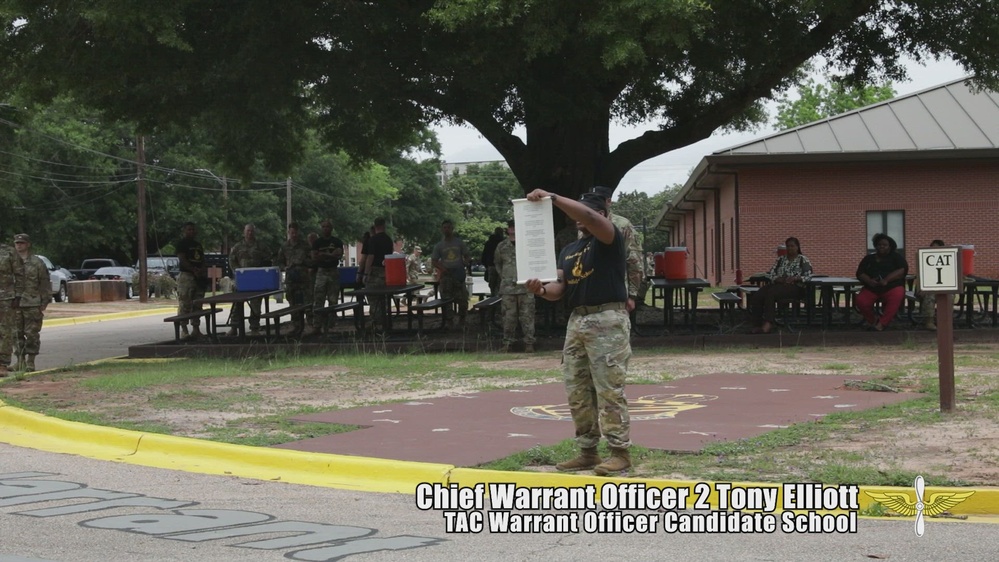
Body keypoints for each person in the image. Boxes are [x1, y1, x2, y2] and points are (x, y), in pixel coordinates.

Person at [525, 189, 632, 476]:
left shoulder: (609, 238)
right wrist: (542, 290)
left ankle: (619, 452)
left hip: (607, 318)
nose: (578, 219)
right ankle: (588, 451)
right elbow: (561, 288)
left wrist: (553, 198)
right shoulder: (569, 251)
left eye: (587, 213)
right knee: (577, 390)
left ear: (602, 215)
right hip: (578, 320)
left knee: (609, 388)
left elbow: (586, 215)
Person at [590, 186, 644, 312]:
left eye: (598, 199)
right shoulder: (584, 225)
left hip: (615, 291)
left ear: (608, 202)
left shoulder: (622, 225)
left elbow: (634, 260)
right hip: (590, 291)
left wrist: (632, 295)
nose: (594, 203)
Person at [2, 234, 51, 372]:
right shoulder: (9, 262)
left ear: (28, 244)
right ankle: (20, 361)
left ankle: (31, 361)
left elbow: (44, 282)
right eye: (17, 243)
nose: (19, 245)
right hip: (14, 303)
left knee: (32, 333)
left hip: (32, 302)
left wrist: (45, 300)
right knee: (16, 334)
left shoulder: (37, 262)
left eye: (22, 243)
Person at [748, 236, 813, 334]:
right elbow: (770, 273)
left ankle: (769, 323)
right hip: (779, 284)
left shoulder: (803, 260)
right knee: (759, 294)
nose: (790, 248)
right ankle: (757, 324)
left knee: (771, 293)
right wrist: (778, 279)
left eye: (792, 246)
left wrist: (796, 278)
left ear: (797, 247)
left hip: (795, 288)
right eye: (788, 246)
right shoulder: (781, 259)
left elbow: (809, 276)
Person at [493, 220, 535, 353]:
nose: (514, 229)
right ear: (508, 229)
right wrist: (504, 277)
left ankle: (529, 344)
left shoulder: (527, 243)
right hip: (508, 288)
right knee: (508, 317)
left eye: (516, 226)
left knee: (527, 316)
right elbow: (497, 263)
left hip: (526, 286)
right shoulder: (502, 246)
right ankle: (508, 344)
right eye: (512, 227)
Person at [856, 233, 909, 331]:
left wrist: (886, 280)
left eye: (884, 245)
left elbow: (902, 270)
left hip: (892, 286)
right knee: (861, 301)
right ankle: (874, 321)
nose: (881, 246)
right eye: (879, 244)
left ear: (890, 246)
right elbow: (860, 272)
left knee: (896, 296)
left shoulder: (896, 257)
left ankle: (882, 324)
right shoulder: (869, 258)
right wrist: (869, 281)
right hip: (872, 287)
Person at [227, 223, 271, 335]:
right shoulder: (237, 247)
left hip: (256, 279)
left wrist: (261, 271)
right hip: (242, 279)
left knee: (256, 304)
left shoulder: (261, 246)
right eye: (248, 231)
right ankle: (234, 327)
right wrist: (238, 271)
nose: (250, 233)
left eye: (251, 231)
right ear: (244, 232)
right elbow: (232, 260)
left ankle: (254, 327)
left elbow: (268, 260)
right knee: (237, 304)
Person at [432, 219, 471, 330]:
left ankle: (462, 320)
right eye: (444, 228)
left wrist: (465, 263)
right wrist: (443, 269)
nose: (446, 230)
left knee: (463, 299)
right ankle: (449, 322)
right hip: (446, 275)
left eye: (448, 227)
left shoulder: (459, 243)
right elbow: (434, 261)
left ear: (452, 229)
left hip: (458, 274)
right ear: (442, 229)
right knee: (446, 299)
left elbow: (467, 255)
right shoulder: (439, 245)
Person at [275, 222, 312, 337]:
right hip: (291, 278)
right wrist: (284, 267)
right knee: (293, 304)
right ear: (289, 233)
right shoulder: (284, 247)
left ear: (298, 232)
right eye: (292, 233)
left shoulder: (305, 246)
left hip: (304, 278)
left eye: (295, 232)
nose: (294, 235)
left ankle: (310, 325)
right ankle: (296, 326)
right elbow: (279, 261)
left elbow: (312, 259)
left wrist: (305, 263)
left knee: (308, 302)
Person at [360, 218, 394, 334]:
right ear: (384, 225)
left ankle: (376, 323)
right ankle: (385, 322)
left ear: (374, 226)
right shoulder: (389, 240)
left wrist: (365, 273)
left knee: (373, 298)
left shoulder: (373, 240)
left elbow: (370, 257)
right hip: (386, 271)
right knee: (383, 299)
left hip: (374, 272)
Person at [311, 219, 345, 334]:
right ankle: (317, 325)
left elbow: (338, 255)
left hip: (333, 271)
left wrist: (323, 254)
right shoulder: (317, 243)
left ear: (331, 229)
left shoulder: (337, 242)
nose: (325, 229)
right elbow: (314, 257)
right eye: (323, 227)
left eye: (328, 227)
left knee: (333, 300)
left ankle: (332, 325)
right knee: (318, 299)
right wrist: (330, 254)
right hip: (321, 272)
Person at [176, 222, 208, 340]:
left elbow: (202, 259)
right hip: (186, 276)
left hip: (198, 277)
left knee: (198, 303)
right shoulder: (182, 244)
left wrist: (202, 270)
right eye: (189, 229)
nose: (191, 232)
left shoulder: (198, 245)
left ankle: (196, 329)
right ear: (185, 231)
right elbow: (182, 259)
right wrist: (192, 269)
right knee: (185, 303)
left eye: (193, 230)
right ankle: (184, 330)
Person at [915, 239, 946, 330]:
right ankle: (929, 321)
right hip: (927, 288)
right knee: (930, 296)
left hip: (942, 288)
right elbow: (920, 276)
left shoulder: (947, 260)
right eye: (932, 248)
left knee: (949, 296)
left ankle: (944, 321)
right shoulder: (924, 260)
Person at [482, 227, 505, 297]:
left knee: (492, 285)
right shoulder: (504, 243)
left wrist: (487, 265)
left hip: (491, 266)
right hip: (501, 267)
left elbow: (484, 256)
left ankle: (493, 299)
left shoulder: (489, 243)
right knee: (500, 285)